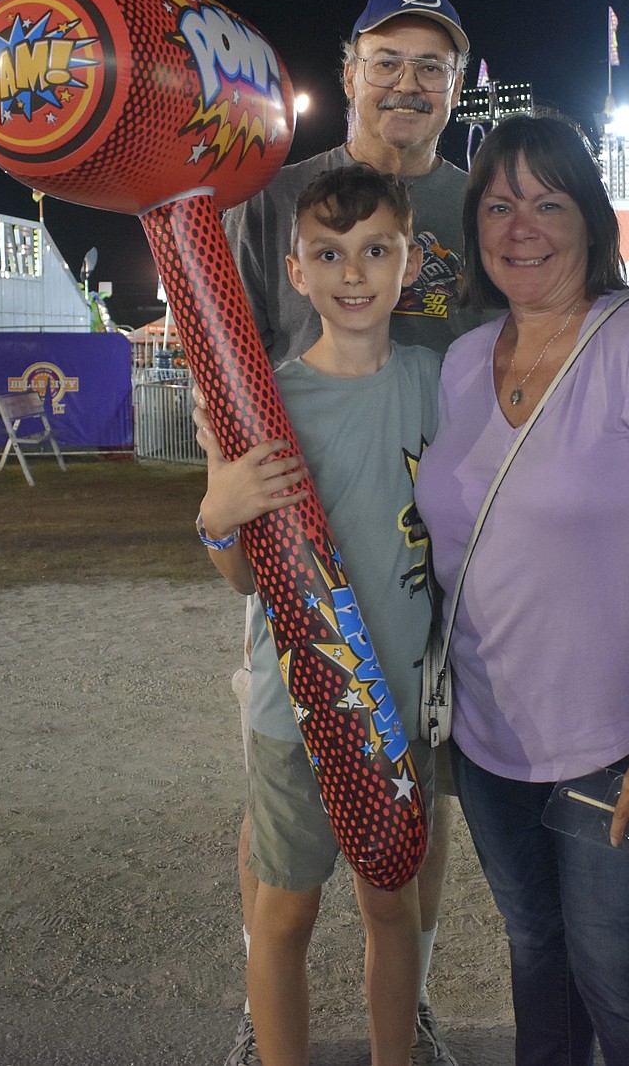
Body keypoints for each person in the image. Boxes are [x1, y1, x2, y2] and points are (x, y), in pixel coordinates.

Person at [414, 113, 629, 1066]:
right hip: (492, 737)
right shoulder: (465, 363)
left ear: (591, 223)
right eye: (500, 204)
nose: (522, 226)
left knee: (624, 976)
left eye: (548, 203)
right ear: (475, 225)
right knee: (538, 956)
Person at [217, 0, 473, 1066]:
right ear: (352, 67)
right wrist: (228, 510)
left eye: (433, 66)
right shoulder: (276, 199)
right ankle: (261, 1011)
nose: (409, 83)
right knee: (286, 845)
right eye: (388, 60)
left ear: (458, 84)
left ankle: (400, 1009)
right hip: (302, 574)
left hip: (431, 597)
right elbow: (223, 366)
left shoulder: (479, 198)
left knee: (417, 837)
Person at [197, 164, 441, 1066]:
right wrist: (217, 514)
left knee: (392, 901)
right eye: (328, 254)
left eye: (376, 250)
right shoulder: (265, 402)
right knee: (285, 908)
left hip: (400, 702)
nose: (353, 273)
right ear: (294, 271)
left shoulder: (438, 382)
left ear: (409, 262)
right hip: (292, 710)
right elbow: (239, 578)